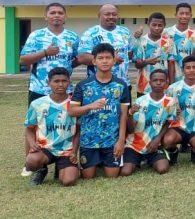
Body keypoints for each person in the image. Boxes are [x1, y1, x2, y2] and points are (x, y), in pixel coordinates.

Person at [19, 2, 79, 177]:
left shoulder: (72, 36)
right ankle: (35, 164)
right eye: (52, 12)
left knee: (65, 124)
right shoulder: (37, 36)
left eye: (60, 12)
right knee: (34, 125)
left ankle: (61, 161)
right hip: (40, 88)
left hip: (65, 90)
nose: (56, 15)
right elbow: (23, 59)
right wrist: (45, 53)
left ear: (65, 16)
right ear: (46, 16)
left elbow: (76, 59)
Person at [68, 43, 131, 179]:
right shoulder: (83, 85)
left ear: (114, 60)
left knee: (112, 176)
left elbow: (123, 115)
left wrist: (121, 141)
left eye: (108, 57)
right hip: (88, 141)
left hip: (111, 141)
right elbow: (72, 111)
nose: (105, 61)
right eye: (101, 58)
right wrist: (90, 106)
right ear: (94, 61)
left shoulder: (121, 85)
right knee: (88, 177)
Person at [24, 67, 80, 187]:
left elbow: (78, 131)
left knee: (68, 181)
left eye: (64, 81)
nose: (60, 84)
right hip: (45, 149)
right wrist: (32, 142)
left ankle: (61, 168)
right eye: (56, 81)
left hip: (66, 151)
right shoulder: (37, 104)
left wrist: (74, 152)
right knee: (31, 162)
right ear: (49, 83)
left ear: (69, 82)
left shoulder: (75, 104)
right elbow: (29, 128)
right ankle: (41, 169)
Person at [120, 69, 176, 177]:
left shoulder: (171, 102)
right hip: (134, 145)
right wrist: (130, 115)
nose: (158, 83)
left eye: (162, 80)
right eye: (155, 80)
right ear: (149, 82)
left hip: (154, 145)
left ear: (166, 83)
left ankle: (151, 160)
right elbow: (131, 129)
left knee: (163, 169)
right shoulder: (140, 101)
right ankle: (138, 160)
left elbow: (168, 122)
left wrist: (158, 138)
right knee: (125, 172)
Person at [162, 56, 195, 164]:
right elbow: (164, 108)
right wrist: (170, 111)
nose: (191, 70)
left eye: (194, 67)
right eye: (188, 67)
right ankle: (174, 151)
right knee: (167, 141)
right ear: (182, 70)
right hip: (178, 127)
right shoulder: (173, 88)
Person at [78, 4, 133, 85]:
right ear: (99, 16)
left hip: (123, 84)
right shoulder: (90, 33)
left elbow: (129, 54)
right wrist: (111, 59)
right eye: (107, 14)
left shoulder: (125, 32)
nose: (111, 17)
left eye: (114, 14)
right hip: (96, 85)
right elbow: (82, 58)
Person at [132, 12, 176, 95]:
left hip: (163, 86)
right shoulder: (141, 41)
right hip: (144, 86)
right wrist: (147, 62)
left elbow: (171, 64)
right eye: (154, 25)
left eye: (160, 25)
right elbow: (137, 65)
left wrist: (171, 84)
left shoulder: (169, 42)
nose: (157, 28)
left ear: (164, 26)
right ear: (149, 24)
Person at [164, 2, 195, 82]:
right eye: (181, 13)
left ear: (191, 15)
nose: (184, 16)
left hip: (190, 79)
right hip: (169, 77)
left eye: (187, 14)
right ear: (176, 15)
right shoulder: (166, 33)